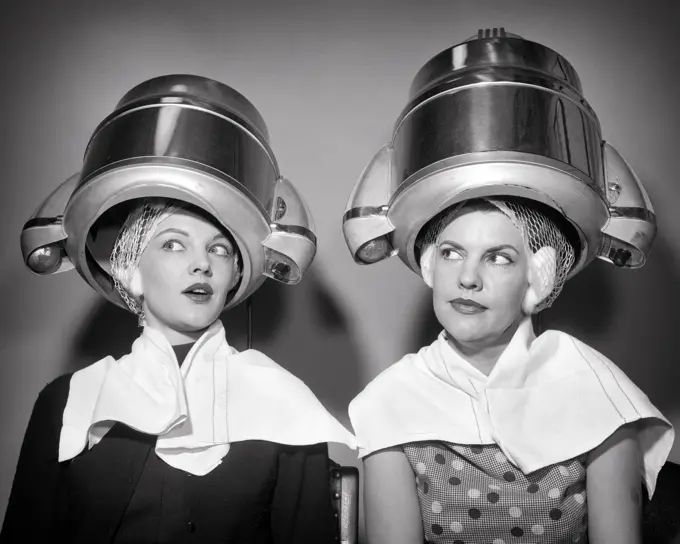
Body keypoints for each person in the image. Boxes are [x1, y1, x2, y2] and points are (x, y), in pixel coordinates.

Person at [342, 29, 674, 543]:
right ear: (430, 265)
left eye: (498, 257)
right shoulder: (388, 403)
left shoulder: (600, 399)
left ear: (537, 279)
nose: (467, 276)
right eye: (451, 252)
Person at [2, 75, 356, 544]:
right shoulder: (67, 402)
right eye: (173, 244)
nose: (201, 265)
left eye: (220, 250)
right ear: (129, 271)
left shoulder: (286, 403)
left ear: (235, 276)